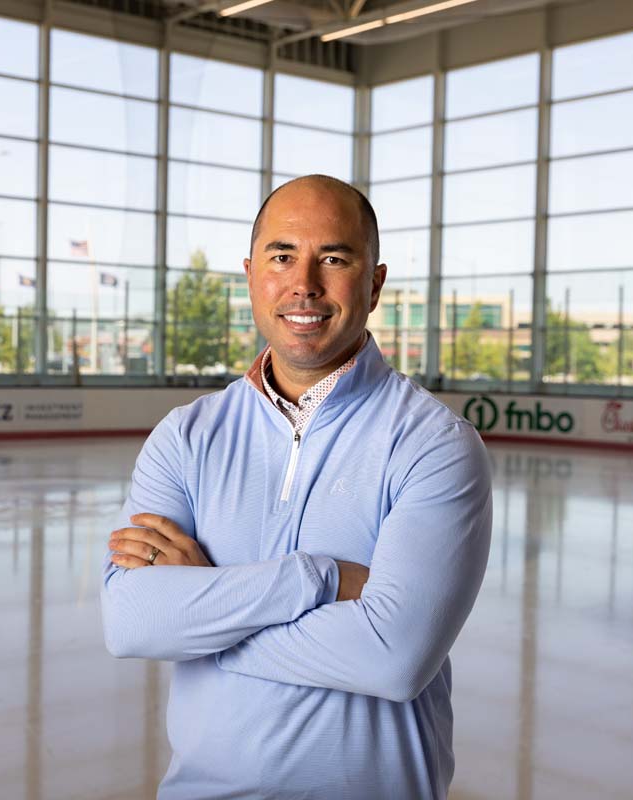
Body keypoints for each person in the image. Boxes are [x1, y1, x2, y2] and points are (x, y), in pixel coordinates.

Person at [100, 174, 493, 799]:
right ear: (252, 273)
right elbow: (131, 623)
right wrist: (322, 578)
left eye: (334, 258)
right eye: (282, 256)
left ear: (375, 283)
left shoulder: (434, 443)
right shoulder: (186, 437)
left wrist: (203, 611)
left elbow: (391, 658)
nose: (304, 283)